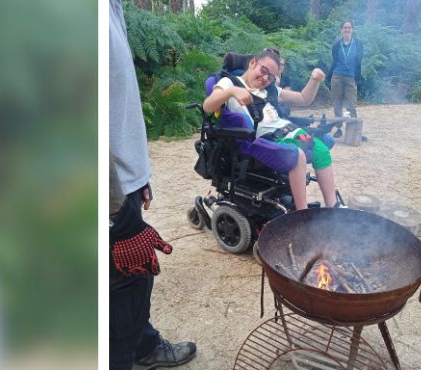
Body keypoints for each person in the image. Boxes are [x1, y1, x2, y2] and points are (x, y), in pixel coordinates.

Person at [110, 1, 197, 368]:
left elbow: (117, 95)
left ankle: (144, 347)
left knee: (132, 284)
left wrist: (139, 173)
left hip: (120, 180)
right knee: (117, 296)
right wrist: (117, 212)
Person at [202, 50, 342, 210]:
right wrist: (232, 92)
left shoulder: (270, 89)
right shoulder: (229, 82)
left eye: (271, 77)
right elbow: (208, 105)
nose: (265, 78)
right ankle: (301, 213)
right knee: (298, 156)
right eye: (263, 71)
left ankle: (334, 207)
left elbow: (304, 99)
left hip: (286, 131)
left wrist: (314, 80)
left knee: (321, 150)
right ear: (252, 62)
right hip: (261, 140)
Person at [330, 20, 363, 118]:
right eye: (345, 27)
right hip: (337, 76)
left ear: (352, 29)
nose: (347, 29)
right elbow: (334, 61)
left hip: (351, 77)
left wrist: (358, 77)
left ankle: (353, 131)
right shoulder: (336, 45)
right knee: (337, 105)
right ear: (341, 30)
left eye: (349, 27)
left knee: (351, 106)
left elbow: (359, 61)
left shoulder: (358, 44)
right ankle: (339, 129)